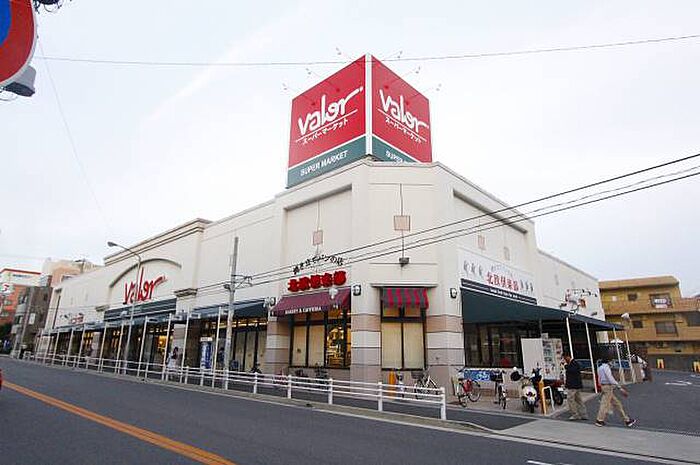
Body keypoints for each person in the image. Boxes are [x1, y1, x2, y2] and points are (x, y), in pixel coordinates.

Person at [595, 356, 636, 427]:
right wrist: (619, 387)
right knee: (605, 404)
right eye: (611, 361)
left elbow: (599, 378)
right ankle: (599, 420)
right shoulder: (606, 368)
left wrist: (601, 386)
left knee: (617, 404)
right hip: (608, 387)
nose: (612, 363)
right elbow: (610, 378)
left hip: (604, 386)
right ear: (608, 361)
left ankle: (627, 420)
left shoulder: (600, 368)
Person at [563, 353, 588, 420]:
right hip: (576, 385)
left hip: (573, 385)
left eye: (565, 358)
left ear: (568, 357)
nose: (564, 360)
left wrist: (566, 366)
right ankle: (583, 414)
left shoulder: (573, 363)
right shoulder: (574, 363)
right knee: (578, 400)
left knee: (570, 399)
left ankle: (575, 414)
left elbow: (572, 371)